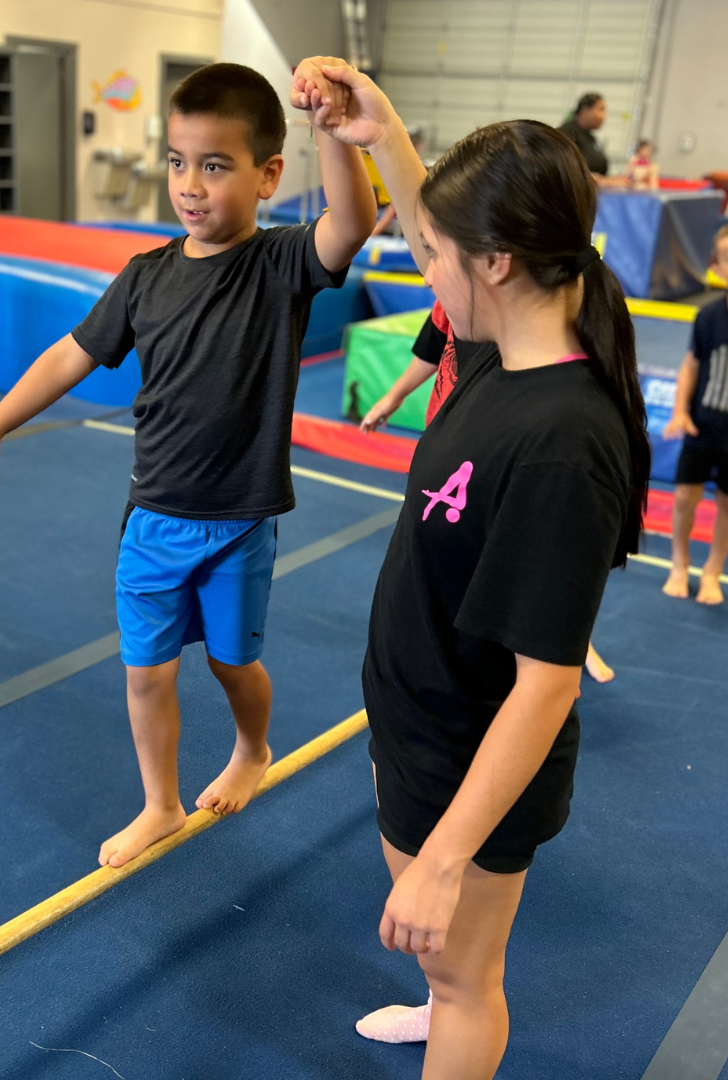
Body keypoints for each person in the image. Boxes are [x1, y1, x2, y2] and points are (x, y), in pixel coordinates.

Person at [292, 59, 649, 1078]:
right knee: (447, 970)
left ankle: (454, 1006)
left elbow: (546, 684)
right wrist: (384, 128)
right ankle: (442, 995)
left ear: (494, 264)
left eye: (433, 256)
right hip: (421, 721)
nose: (422, 269)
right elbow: (434, 225)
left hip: (468, 764)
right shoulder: (500, 349)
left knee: (468, 980)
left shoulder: (562, 442)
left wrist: (446, 860)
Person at [0, 62, 375, 869]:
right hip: (154, 517)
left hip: (239, 519)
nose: (190, 184)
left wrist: (330, 126)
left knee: (232, 661)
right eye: (179, 162)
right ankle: (161, 804)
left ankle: (253, 747)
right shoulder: (145, 276)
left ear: (267, 177)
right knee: (145, 672)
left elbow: (351, 223)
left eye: (215, 166)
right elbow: (70, 357)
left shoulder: (279, 266)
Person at [362, 302, 617, 686]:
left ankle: (563, 644)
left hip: (488, 446)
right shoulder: (448, 297)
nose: (430, 277)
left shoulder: (504, 312)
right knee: (453, 555)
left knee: (531, 554)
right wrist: (394, 396)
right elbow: (432, 348)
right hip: (446, 443)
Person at [661, 223, 728, 605]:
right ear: (717, 268)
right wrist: (679, 411)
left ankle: (713, 570)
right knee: (685, 496)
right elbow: (690, 366)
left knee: (726, 504)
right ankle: (679, 564)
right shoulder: (708, 317)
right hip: (703, 424)